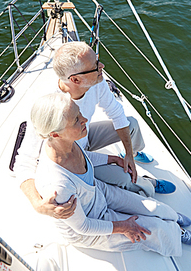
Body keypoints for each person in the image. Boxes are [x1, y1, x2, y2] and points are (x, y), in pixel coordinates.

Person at [14, 41, 175, 219]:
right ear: (75, 80)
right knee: (124, 178)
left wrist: (128, 153)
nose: (102, 66)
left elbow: (115, 111)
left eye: (97, 60)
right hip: (73, 158)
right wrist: (38, 204)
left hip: (86, 135)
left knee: (132, 125)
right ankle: (147, 184)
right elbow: (23, 162)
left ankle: (134, 155)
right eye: (95, 66)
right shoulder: (48, 106)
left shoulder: (95, 82)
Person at [31, 93, 191, 255]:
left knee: (155, 207)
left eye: (80, 113)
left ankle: (172, 217)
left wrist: (112, 159)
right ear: (55, 134)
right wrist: (123, 226)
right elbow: (83, 227)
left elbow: (84, 156)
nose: (85, 120)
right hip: (91, 223)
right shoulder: (58, 186)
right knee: (155, 229)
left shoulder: (66, 144)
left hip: (98, 192)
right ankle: (176, 233)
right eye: (76, 120)